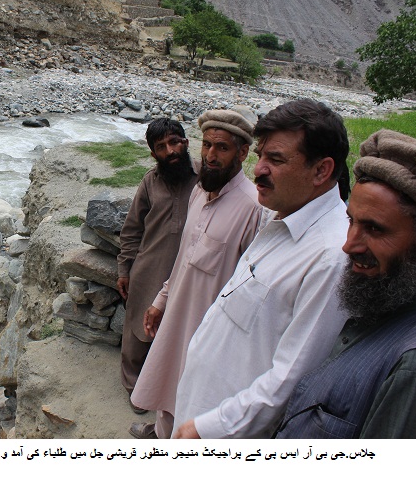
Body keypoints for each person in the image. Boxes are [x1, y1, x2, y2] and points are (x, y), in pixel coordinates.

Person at [172, 98, 351, 439]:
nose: (258, 170)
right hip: (200, 409)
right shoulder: (280, 214)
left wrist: (210, 428)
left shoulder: (330, 258)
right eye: (260, 156)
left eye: (276, 160)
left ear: (321, 171)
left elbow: (290, 379)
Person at [275, 129, 416, 438]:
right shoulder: (383, 302)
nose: (348, 245)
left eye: (375, 229)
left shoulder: (412, 365)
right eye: (351, 221)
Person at [128, 108, 264, 439]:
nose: (210, 156)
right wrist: (161, 300)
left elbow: (248, 287)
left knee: (193, 396)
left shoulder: (253, 208)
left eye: (222, 148)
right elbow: (183, 260)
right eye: (206, 145)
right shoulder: (199, 192)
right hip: (176, 316)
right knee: (166, 382)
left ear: (243, 153)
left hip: (209, 330)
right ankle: (160, 434)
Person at [117, 118, 198, 412]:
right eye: (161, 147)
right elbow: (132, 229)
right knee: (139, 331)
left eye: (174, 142)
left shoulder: (205, 178)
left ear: (185, 142)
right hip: (150, 268)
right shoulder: (150, 182)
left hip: (189, 270)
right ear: (153, 153)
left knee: (179, 332)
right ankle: (134, 387)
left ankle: (171, 389)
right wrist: (124, 269)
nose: (170, 151)